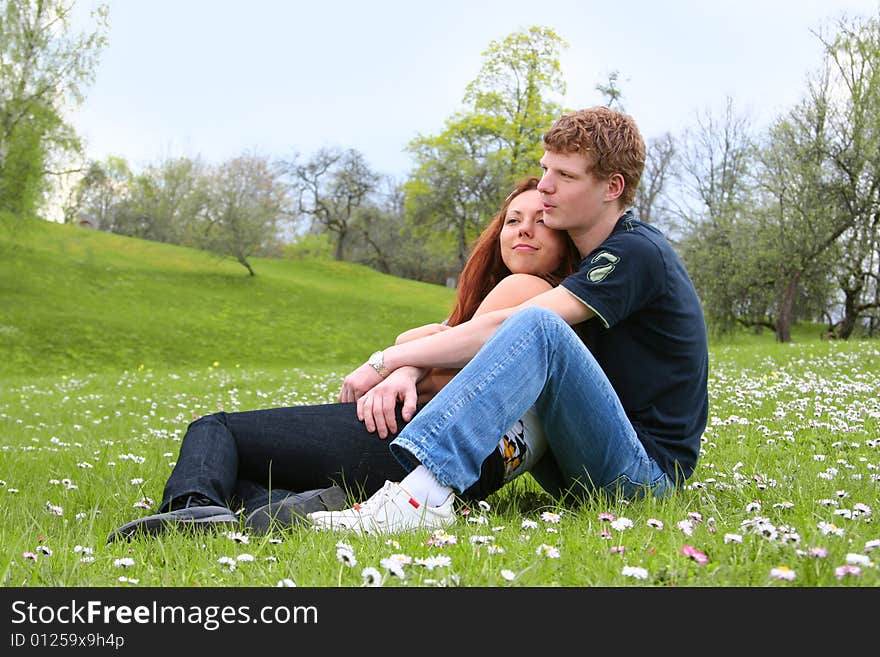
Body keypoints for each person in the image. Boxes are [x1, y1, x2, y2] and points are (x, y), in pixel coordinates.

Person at [106, 176, 581, 542]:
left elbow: (452, 362)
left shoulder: (528, 291)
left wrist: (396, 362)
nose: (523, 230)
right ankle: (290, 505)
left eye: (542, 221)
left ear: (565, 241)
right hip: (473, 465)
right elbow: (441, 346)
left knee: (216, 428)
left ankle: (189, 510)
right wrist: (413, 353)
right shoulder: (540, 305)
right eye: (514, 220)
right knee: (253, 466)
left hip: (416, 442)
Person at [308, 106, 709, 535]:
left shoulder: (635, 253)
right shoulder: (585, 264)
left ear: (613, 187)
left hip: (640, 477)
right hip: (579, 457)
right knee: (532, 331)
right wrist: (404, 364)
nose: (547, 187)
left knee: (540, 327)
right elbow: (455, 333)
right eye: (545, 169)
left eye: (566, 176)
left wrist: (385, 360)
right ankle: (354, 485)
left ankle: (418, 499)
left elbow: (511, 329)